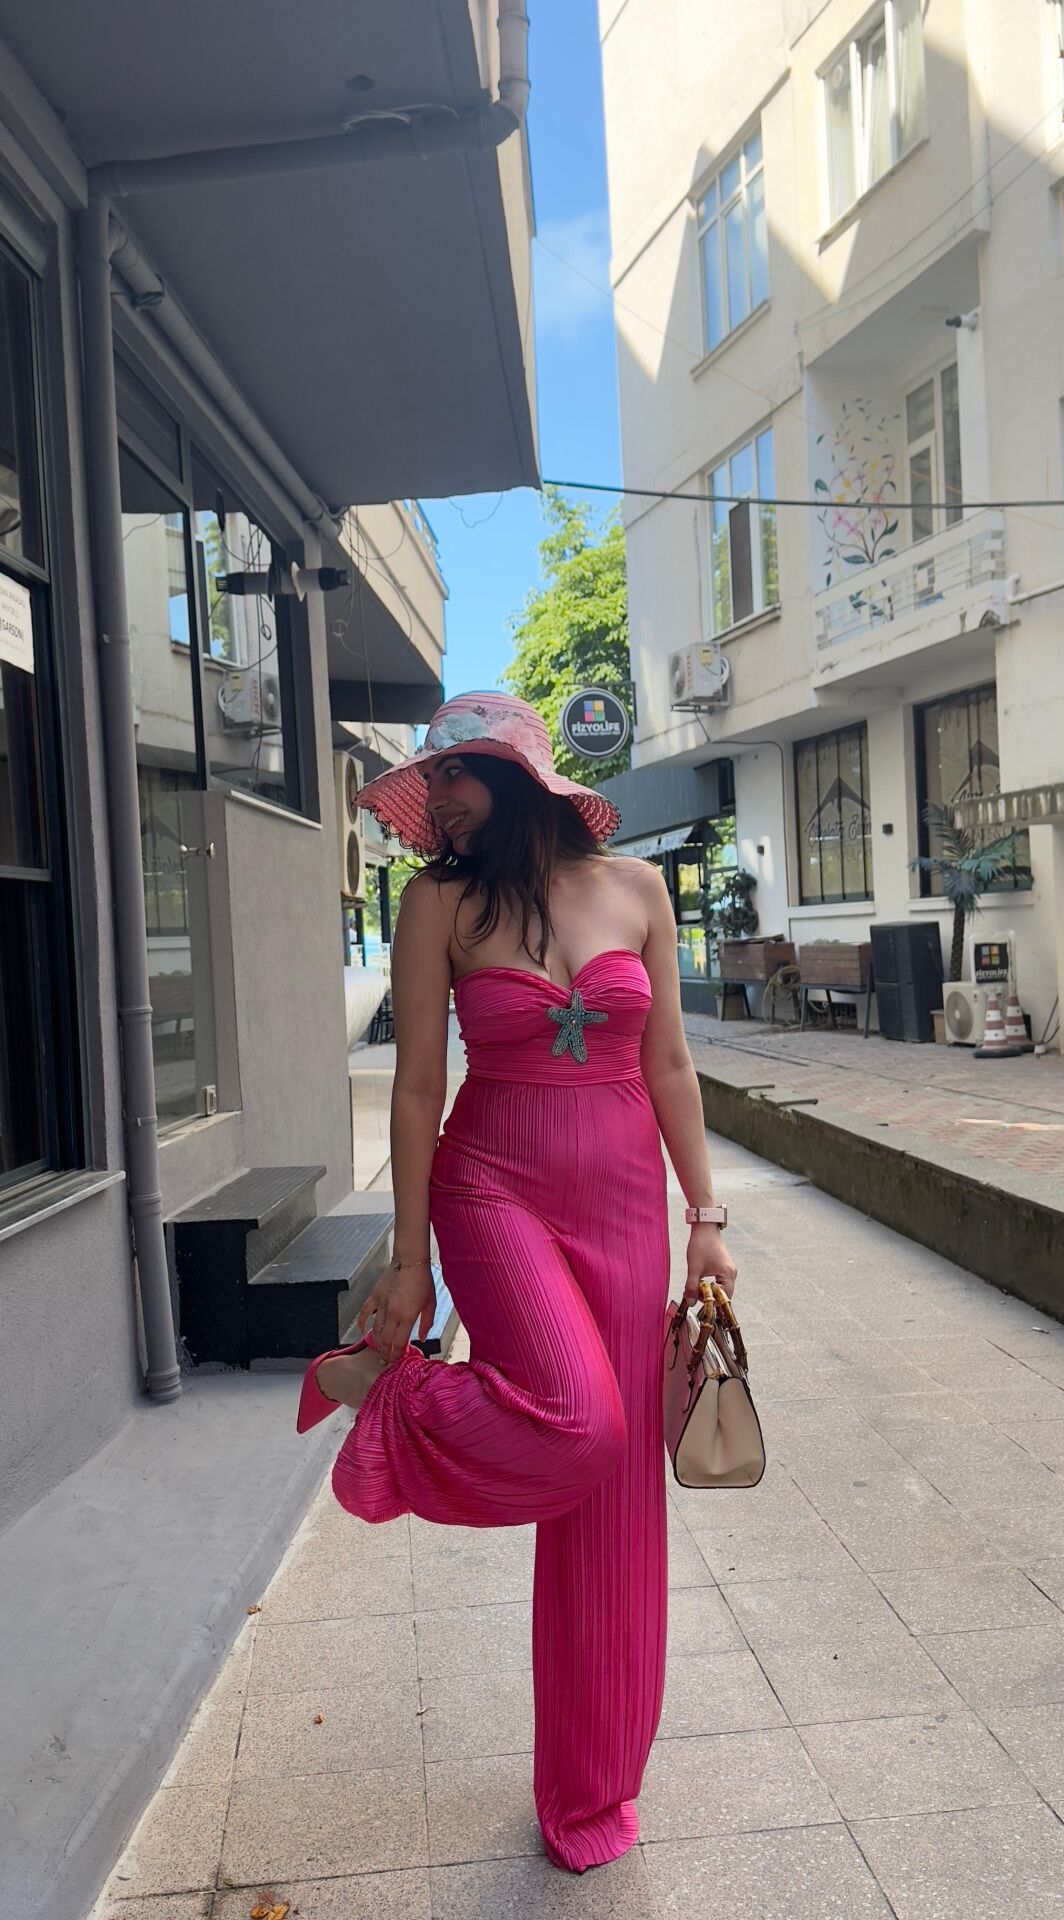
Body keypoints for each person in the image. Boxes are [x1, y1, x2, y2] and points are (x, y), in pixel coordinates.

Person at [298, 691, 737, 1873]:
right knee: (580, 1421)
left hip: (627, 1203)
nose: (435, 800)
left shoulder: (638, 890)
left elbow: (671, 1065)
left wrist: (705, 1220)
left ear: (517, 777)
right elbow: (414, 1086)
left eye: (454, 776)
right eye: (430, 783)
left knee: (616, 1499)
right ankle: (399, 1392)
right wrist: (408, 1266)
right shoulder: (435, 903)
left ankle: (593, 1788)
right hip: (493, 1189)